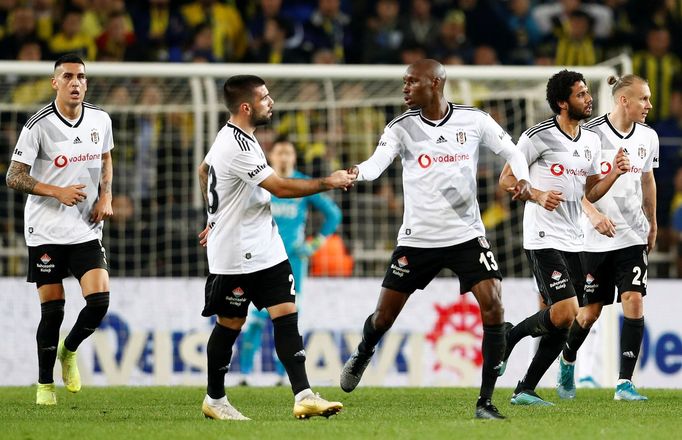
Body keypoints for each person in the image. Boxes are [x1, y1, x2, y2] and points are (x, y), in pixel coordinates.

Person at [339, 58, 533, 420]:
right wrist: (354, 173)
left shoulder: (473, 120)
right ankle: (365, 350)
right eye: (404, 82)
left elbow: (512, 151)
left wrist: (522, 178)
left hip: (466, 235)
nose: (405, 88)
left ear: (435, 84)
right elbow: (376, 163)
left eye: (412, 82)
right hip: (418, 240)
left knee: (494, 305)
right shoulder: (401, 127)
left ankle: (485, 403)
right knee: (383, 317)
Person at [197, 74, 352, 421]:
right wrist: (328, 180)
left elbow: (203, 170)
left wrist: (212, 216)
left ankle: (304, 394)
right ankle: (215, 398)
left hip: (267, 249)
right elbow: (280, 188)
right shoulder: (234, 144)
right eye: (265, 98)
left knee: (286, 315)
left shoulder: (243, 139)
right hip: (236, 255)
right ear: (246, 107)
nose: (272, 102)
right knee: (231, 324)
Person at [498, 69, 630, 406]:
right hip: (542, 235)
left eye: (587, 93)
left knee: (561, 321)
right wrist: (538, 194)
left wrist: (614, 172)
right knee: (569, 312)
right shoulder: (536, 136)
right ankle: (509, 338)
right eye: (581, 94)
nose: (588, 99)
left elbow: (591, 192)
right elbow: (506, 179)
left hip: (574, 238)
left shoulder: (590, 141)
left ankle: (524, 389)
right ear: (562, 102)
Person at [5, 54, 114, 405]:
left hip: (85, 227)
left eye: (81, 76)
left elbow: (107, 157)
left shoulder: (100, 119)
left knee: (99, 302)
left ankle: (69, 351)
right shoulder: (38, 125)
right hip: (46, 229)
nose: (75, 82)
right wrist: (57, 191)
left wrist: (106, 197)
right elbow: (13, 176)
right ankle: (44, 386)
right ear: (55, 82)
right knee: (53, 311)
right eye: (67, 76)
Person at [556, 74, 658, 401]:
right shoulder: (590, 135)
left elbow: (647, 181)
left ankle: (624, 383)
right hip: (594, 239)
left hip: (631, 235)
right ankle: (568, 358)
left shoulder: (649, 137)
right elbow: (575, 188)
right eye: (643, 98)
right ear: (623, 100)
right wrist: (594, 214)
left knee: (634, 299)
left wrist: (652, 223)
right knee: (590, 313)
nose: (649, 105)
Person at [239, 137, 342, 385]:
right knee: (253, 318)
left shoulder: (301, 185)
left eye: (288, 153)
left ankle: (280, 375)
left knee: (287, 319)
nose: (284, 157)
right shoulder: (261, 183)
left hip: (293, 261)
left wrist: (314, 244)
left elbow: (333, 215)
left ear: (294, 158)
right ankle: (243, 375)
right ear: (271, 157)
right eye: (280, 152)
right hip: (260, 259)